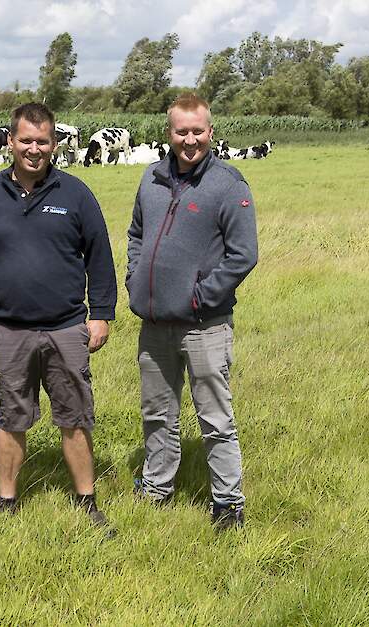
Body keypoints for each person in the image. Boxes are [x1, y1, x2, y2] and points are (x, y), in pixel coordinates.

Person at [0, 103, 117, 535]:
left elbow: (100, 255)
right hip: (8, 329)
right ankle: (7, 501)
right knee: (11, 417)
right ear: (10, 141)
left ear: (55, 144)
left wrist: (100, 315)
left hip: (66, 326)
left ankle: (87, 501)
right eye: (25, 140)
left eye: (43, 141)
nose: (34, 149)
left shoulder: (75, 194)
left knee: (75, 416)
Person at [126, 93, 258, 531]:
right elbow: (137, 234)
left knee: (215, 417)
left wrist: (200, 296)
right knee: (156, 412)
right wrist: (134, 279)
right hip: (154, 323)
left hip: (205, 325)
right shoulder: (151, 178)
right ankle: (157, 488)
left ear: (210, 131)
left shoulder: (228, 183)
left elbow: (243, 255)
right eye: (181, 131)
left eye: (197, 131)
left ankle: (227, 503)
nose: (190, 139)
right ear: (170, 133)